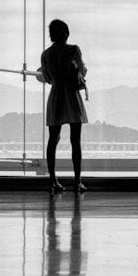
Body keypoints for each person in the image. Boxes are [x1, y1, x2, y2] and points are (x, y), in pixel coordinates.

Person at [37, 19, 88, 192]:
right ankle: (77, 181)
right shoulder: (73, 50)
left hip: (56, 95)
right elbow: (83, 70)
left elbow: (48, 78)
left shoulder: (46, 54)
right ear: (66, 33)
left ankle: (53, 180)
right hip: (72, 95)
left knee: (53, 139)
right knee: (76, 140)